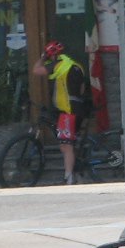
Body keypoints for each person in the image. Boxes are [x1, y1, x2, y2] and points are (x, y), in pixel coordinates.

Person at [31, 40, 92, 185]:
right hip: (78, 108)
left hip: (68, 111)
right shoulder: (76, 66)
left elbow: (36, 70)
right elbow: (82, 89)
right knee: (70, 142)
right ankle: (77, 174)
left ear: (53, 55)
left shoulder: (59, 65)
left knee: (66, 145)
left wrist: (43, 57)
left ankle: (68, 177)